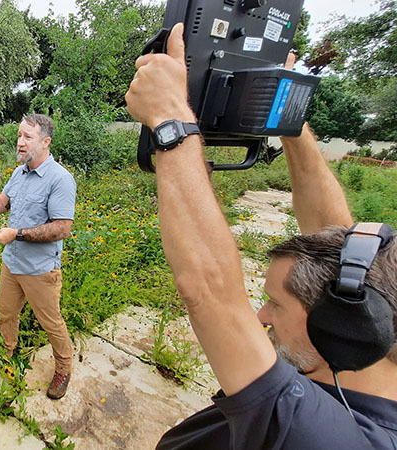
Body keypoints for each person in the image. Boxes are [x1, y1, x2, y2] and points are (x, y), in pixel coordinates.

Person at [124, 24, 397, 449]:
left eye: (275, 302)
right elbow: (337, 233)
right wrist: (287, 115)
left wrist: (170, 121)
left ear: (341, 328)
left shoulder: (333, 438)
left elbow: (209, 291)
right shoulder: (381, 341)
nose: (261, 316)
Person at [0, 114, 76, 399]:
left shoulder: (60, 179)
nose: (20, 142)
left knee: (51, 322)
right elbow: (1, 204)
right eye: (19, 135)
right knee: (7, 315)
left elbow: (62, 228)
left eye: (28, 137)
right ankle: (4, 355)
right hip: (11, 263)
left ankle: (64, 367)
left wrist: (18, 234)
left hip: (40, 270)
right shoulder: (19, 172)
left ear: (46, 142)